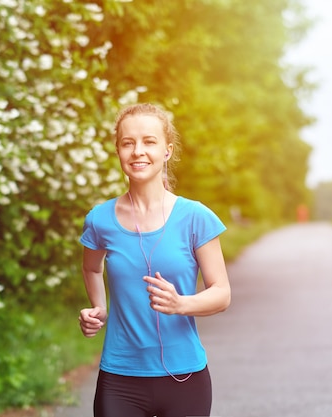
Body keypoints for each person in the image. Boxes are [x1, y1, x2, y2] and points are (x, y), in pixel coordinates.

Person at [78, 103, 231, 417]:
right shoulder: (99, 220)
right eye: (127, 143)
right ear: (118, 150)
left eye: (149, 141)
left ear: (167, 150)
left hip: (184, 377)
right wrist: (99, 307)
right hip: (120, 379)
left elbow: (222, 293)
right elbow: (91, 267)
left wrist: (181, 304)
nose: (138, 151)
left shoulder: (195, 217)